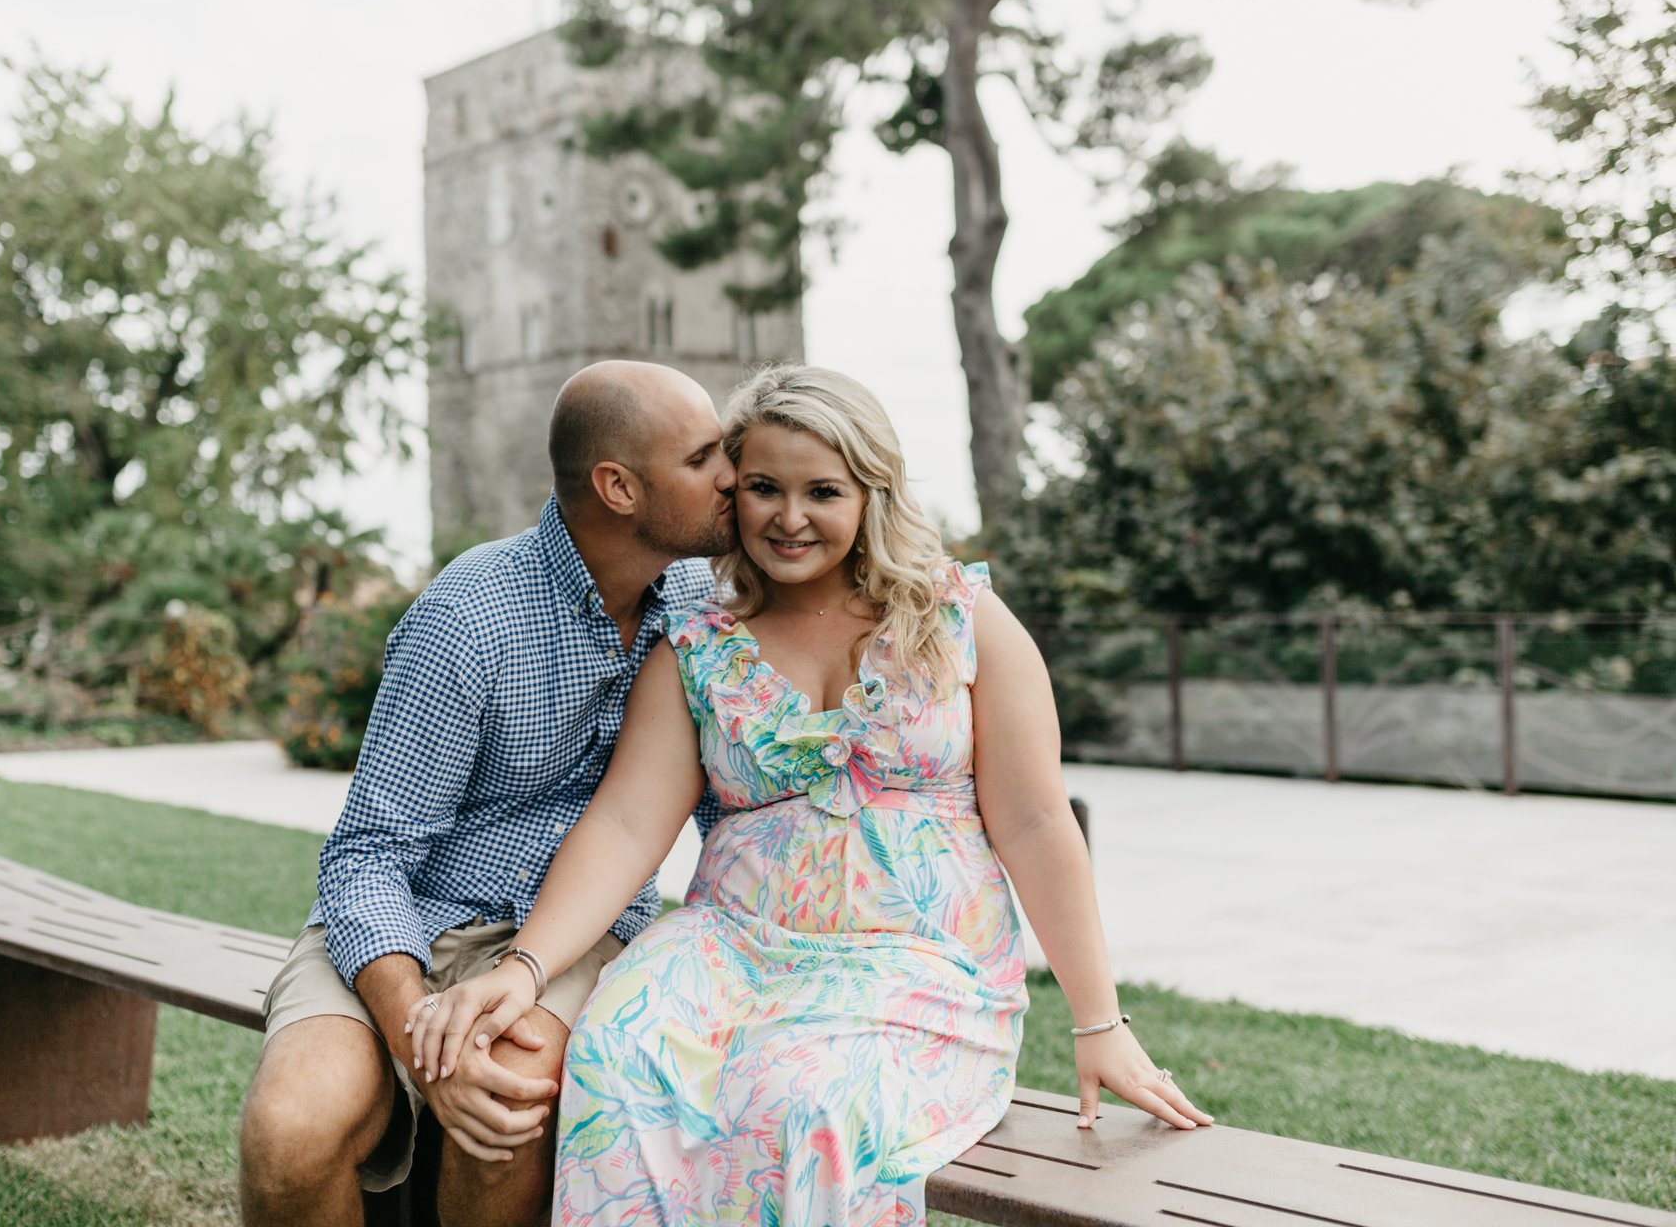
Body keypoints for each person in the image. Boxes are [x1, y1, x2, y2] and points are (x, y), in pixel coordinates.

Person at [409, 364, 1213, 1224]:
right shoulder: (699, 645)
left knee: (808, 1102)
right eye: (763, 488)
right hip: (733, 951)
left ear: (871, 493)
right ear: (733, 493)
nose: (790, 518)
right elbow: (625, 823)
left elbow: (1035, 818)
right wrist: (528, 968)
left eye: (822, 491)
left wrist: (1100, 1023)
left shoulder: (959, 621)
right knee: (622, 1053)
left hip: (917, 967)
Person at [237, 359, 737, 1227]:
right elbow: (365, 858)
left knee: (511, 1098)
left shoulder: (699, 606)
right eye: (703, 459)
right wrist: (420, 1031)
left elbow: (728, 808)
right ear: (618, 487)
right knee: (289, 1132)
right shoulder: (469, 617)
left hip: (572, 932)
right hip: (406, 927)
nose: (731, 475)